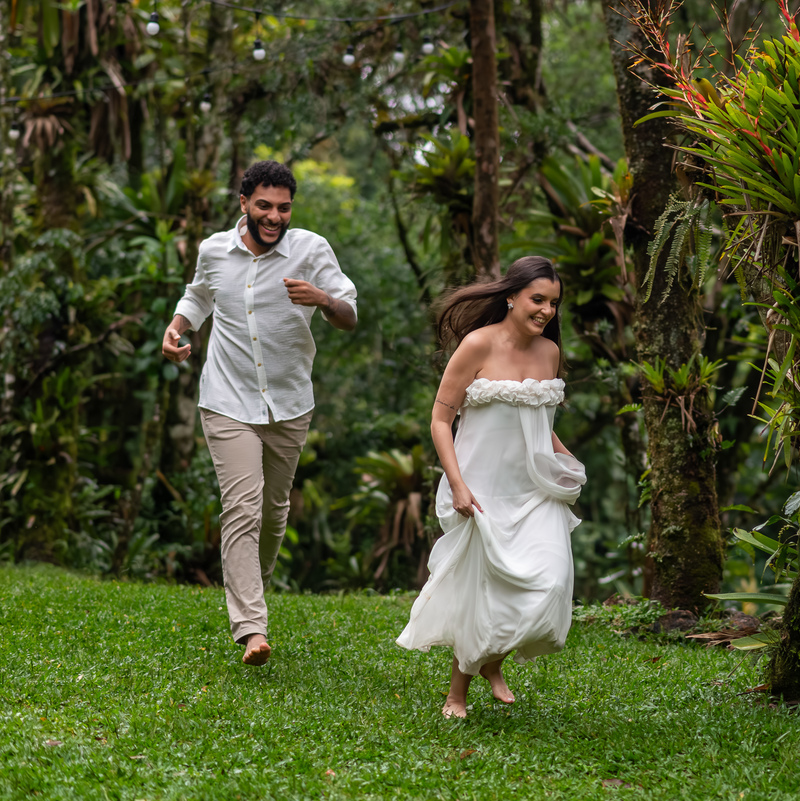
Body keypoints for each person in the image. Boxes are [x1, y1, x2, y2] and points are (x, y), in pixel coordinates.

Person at [161, 160, 357, 666]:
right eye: (264, 206)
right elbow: (199, 295)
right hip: (227, 398)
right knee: (242, 508)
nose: (274, 217)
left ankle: (252, 588)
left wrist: (322, 299)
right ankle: (251, 628)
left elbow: (349, 315)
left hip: (289, 402)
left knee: (273, 513)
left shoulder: (311, 250)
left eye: (284, 208)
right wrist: (178, 327)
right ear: (244, 203)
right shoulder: (214, 250)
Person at [397, 256, 586, 718]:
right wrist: (457, 484)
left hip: (536, 489)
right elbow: (440, 421)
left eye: (553, 303)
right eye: (537, 299)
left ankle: (493, 660)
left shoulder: (549, 353)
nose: (546, 311)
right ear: (512, 296)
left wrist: (566, 460)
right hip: (482, 487)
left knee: (552, 583)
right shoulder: (477, 345)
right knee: (482, 590)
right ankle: (456, 695)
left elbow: (540, 423)